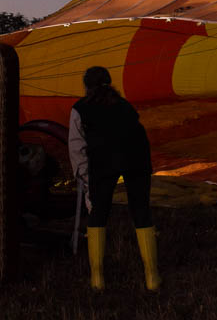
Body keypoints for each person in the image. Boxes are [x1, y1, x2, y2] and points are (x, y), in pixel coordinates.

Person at [68, 66, 161, 292]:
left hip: (103, 161)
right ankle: (152, 277)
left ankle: (97, 278)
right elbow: (140, 134)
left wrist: (83, 176)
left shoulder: (80, 109)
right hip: (137, 158)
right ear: (109, 83)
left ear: (86, 86)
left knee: (98, 213)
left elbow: (76, 147)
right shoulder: (125, 106)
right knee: (141, 211)